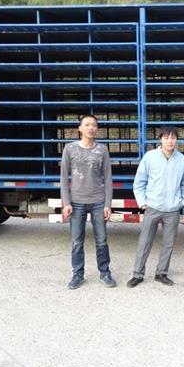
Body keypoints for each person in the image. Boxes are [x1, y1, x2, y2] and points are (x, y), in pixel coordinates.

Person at [126, 125, 184, 288]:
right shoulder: (150, 157)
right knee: (144, 242)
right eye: (166, 137)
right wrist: (143, 202)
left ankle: (161, 273)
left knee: (168, 243)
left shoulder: (181, 160)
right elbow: (139, 182)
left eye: (173, 138)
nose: (170, 141)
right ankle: (137, 274)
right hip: (153, 208)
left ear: (176, 140)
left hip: (172, 210)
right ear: (160, 139)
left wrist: (182, 203)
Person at [60, 114, 116, 290]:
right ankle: (78, 274)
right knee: (77, 241)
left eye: (94, 125)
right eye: (87, 125)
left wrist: (107, 204)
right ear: (80, 128)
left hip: (98, 201)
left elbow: (108, 178)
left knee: (102, 240)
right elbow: (64, 178)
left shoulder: (102, 150)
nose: (91, 128)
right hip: (76, 202)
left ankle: (105, 272)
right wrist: (66, 203)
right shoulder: (69, 149)